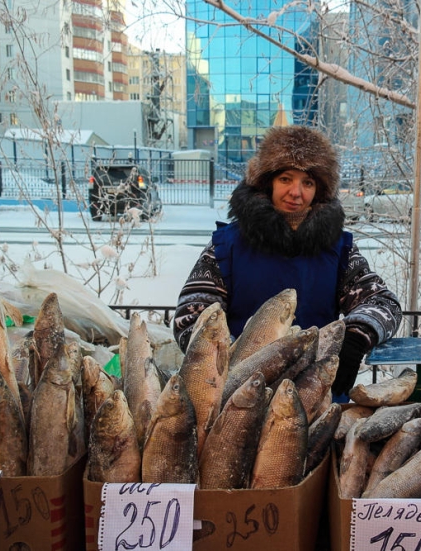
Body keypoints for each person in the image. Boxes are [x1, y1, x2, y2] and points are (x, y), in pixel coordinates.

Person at [172, 125, 402, 399]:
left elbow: (383, 303)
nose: (296, 192)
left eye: (308, 182)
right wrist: (232, 361)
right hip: (238, 400)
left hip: (314, 397)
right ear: (267, 182)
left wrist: (355, 338)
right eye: (285, 179)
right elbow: (191, 315)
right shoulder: (227, 246)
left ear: (319, 190)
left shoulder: (339, 249)